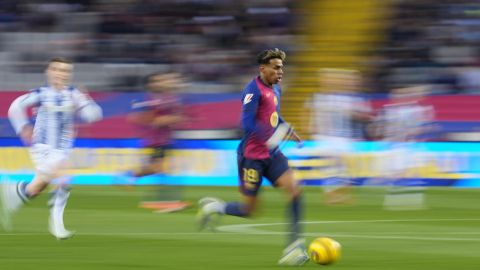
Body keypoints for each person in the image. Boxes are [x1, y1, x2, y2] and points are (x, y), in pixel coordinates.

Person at [197, 48, 308, 266]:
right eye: (276, 68)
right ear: (263, 69)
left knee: (295, 190)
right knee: (249, 211)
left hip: (272, 154)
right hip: (252, 157)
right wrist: (269, 136)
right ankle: (215, 207)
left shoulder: (276, 90)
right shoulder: (252, 90)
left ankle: (293, 247)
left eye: (282, 68)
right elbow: (247, 123)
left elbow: (274, 115)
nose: (280, 72)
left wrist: (287, 129)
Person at [3, 57, 103, 239]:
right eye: (57, 69)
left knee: (36, 188)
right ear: (49, 72)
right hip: (42, 148)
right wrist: (23, 127)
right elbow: (15, 106)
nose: (61, 74)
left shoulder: (74, 94)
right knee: (64, 176)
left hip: (63, 150)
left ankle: (14, 191)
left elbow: (94, 116)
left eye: (65, 71)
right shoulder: (41, 93)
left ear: (69, 74)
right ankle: (57, 226)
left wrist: (87, 100)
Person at [124, 72, 190, 213]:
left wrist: (175, 119)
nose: (161, 83)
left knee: (161, 168)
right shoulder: (150, 101)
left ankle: (132, 176)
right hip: (155, 141)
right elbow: (154, 121)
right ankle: (131, 176)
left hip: (166, 139)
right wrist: (175, 119)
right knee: (159, 168)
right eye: (158, 81)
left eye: (162, 80)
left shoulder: (169, 99)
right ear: (151, 85)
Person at [306, 69, 371, 204]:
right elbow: (308, 111)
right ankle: (332, 195)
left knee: (349, 167)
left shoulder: (348, 99)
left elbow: (365, 115)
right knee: (331, 167)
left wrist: (354, 114)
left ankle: (340, 194)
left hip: (344, 138)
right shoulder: (318, 97)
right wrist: (310, 124)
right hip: (325, 137)